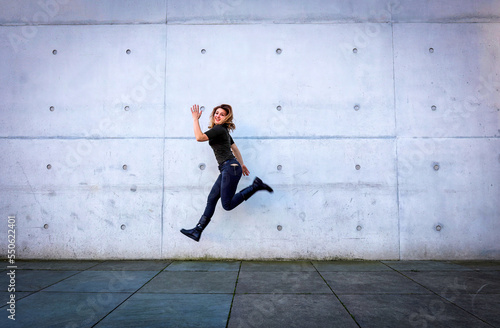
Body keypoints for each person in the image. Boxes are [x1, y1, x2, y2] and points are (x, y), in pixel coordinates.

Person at [180, 104, 273, 242]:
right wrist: (241, 164)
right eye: (216, 113)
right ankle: (197, 230)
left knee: (227, 205)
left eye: (222, 114)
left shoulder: (218, 130)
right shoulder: (223, 131)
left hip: (229, 168)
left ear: (226, 118)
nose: (218, 115)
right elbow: (235, 149)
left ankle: (255, 186)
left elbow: (199, 137)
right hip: (229, 168)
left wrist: (195, 119)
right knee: (212, 198)